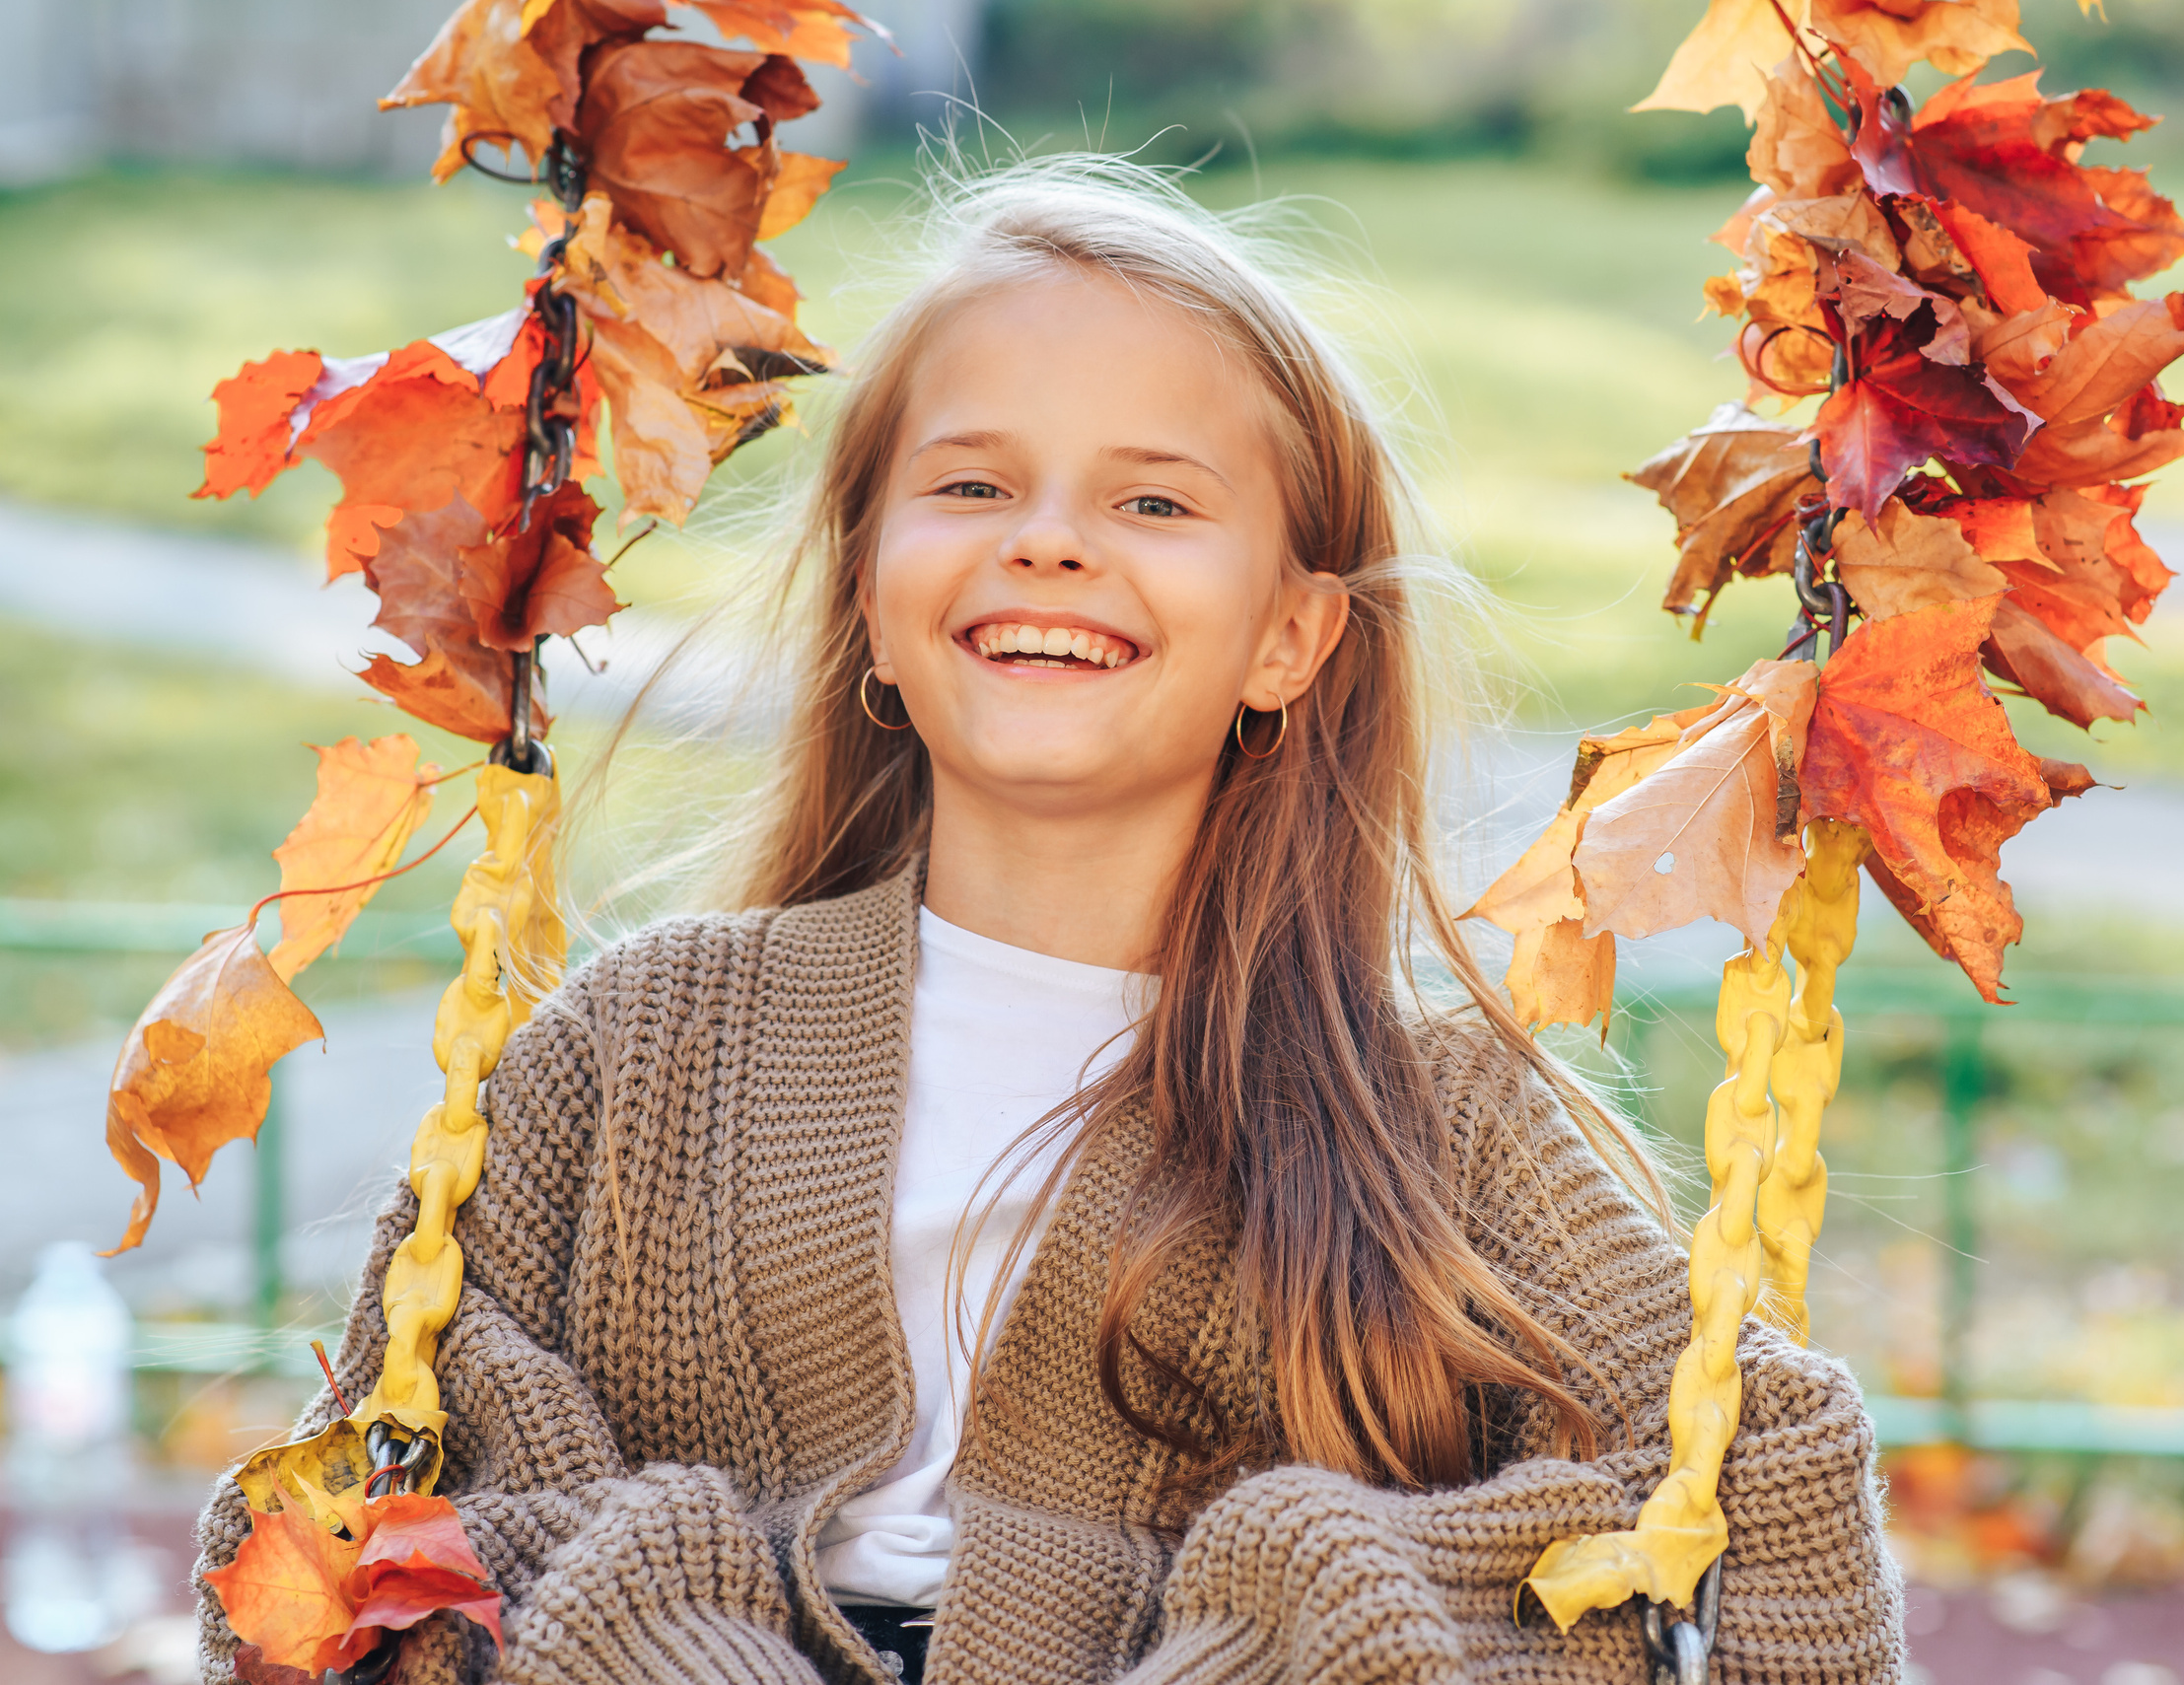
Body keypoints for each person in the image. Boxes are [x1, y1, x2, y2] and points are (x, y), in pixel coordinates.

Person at [194, 156, 1902, 1685]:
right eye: (972, 487)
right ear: (869, 594)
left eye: (1154, 503)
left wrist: (1304, 1629)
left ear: (1292, 641)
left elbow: (1747, 1480)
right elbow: (340, 1541)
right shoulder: (631, 1053)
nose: (1054, 545)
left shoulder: (1430, 1120)